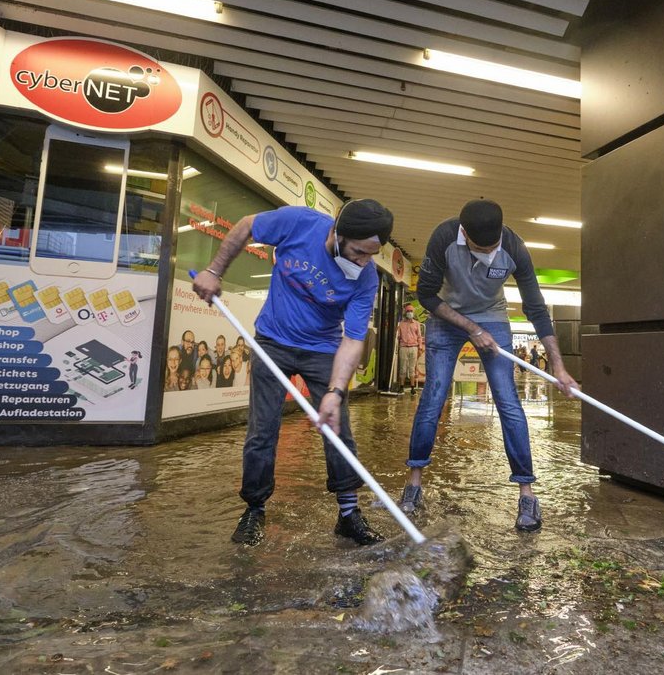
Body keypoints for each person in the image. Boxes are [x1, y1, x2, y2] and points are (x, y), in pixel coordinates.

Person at [192, 198, 394, 547]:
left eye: (371, 255)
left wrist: (335, 392)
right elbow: (245, 226)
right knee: (262, 430)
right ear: (337, 234)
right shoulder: (298, 223)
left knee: (339, 428)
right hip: (273, 340)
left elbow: (353, 340)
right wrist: (214, 271)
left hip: (323, 349)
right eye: (359, 252)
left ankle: (348, 514)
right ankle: (254, 509)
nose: (364, 262)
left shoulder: (365, 279)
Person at [399, 199, 577, 532]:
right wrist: (470, 329)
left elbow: (536, 309)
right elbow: (426, 295)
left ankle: (527, 493)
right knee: (433, 397)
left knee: (508, 401)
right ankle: (413, 483)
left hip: (492, 317)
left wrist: (559, 368)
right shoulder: (444, 237)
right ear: (464, 233)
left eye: (491, 247)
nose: (486, 253)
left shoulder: (513, 247)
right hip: (446, 315)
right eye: (480, 248)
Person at [396, 304, 422, 392]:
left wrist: (420, 347)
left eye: (411, 311)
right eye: (408, 311)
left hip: (414, 347)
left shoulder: (417, 324)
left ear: (413, 313)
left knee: (412, 368)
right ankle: (401, 387)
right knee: (402, 368)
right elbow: (398, 336)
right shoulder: (401, 324)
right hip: (403, 347)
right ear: (405, 313)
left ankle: (412, 388)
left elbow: (419, 336)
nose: (409, 313)